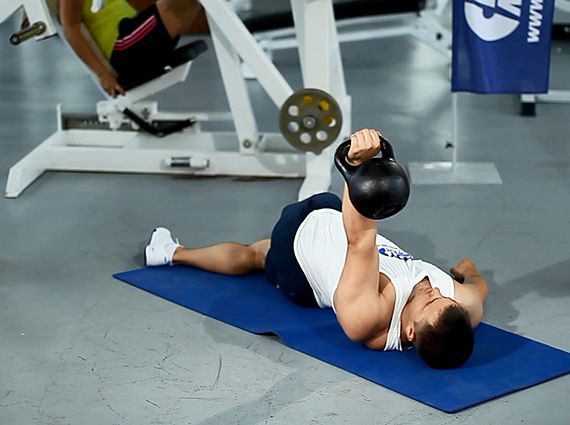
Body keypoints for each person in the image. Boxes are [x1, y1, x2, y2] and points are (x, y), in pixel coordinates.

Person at [144, 128, 489, 369]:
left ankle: (171, 252)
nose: (433, 289)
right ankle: (173, 253)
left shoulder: (368, 318)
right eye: (446, 297)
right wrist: (467, 271)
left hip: (299, 247)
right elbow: (478, 289)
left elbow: (361, 238)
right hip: (336, 216)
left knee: (257, 255)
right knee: (255, 252)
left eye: (430, 301)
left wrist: (357, 168)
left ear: (410, 332)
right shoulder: (463, 307)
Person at [60, 0, 202, 97]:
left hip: (134, 34)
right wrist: (103, 74)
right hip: (125, 45)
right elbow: (70, 30)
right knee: (172, 7)